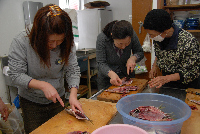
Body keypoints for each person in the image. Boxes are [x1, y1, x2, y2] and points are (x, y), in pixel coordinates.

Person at [8, 4, 83, 133]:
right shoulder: (21, 41)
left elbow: (72, 69)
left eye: (59, 41)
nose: (54, 46)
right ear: (39, 35)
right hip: (31, 102)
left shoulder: (67, 41)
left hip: (57, 99)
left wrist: (73, 95)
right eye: (50, 41)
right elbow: (15, 75)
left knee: (60, 130)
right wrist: (42, 85)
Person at [143, 9, 200, 89]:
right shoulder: (159, 38)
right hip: (167, 82)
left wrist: (166, 78)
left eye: (151, 34)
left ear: (166, 31)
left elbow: (192, 72)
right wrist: (154, 66)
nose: (151, 37)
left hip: (187, 85)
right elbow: (159, 54)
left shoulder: (188, 41)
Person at [96, 20, 144, 90]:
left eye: (127, 43)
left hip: (126, 76)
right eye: (120, 44)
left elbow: (140, 52)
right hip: (107, 79)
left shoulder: (132, 34)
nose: (124, 47)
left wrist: (133, 58)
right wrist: (111, 73)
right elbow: (101, 63)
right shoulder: (102, 38)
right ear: (112, 36)